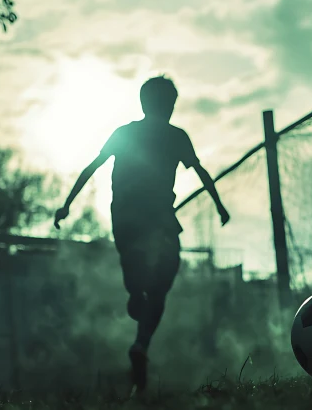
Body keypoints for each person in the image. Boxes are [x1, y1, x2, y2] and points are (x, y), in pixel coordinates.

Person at [53, 75, 231, 392]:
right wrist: (219, 206)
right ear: (171, 105)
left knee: (137, 272)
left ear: (143, 102)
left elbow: (92, 166)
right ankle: (142, 341)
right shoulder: (176, 136)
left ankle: (136, 300)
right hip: (157, 217)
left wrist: (67, 205)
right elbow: (201, 171)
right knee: (163, 280)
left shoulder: (124, 133)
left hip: (124, 217)